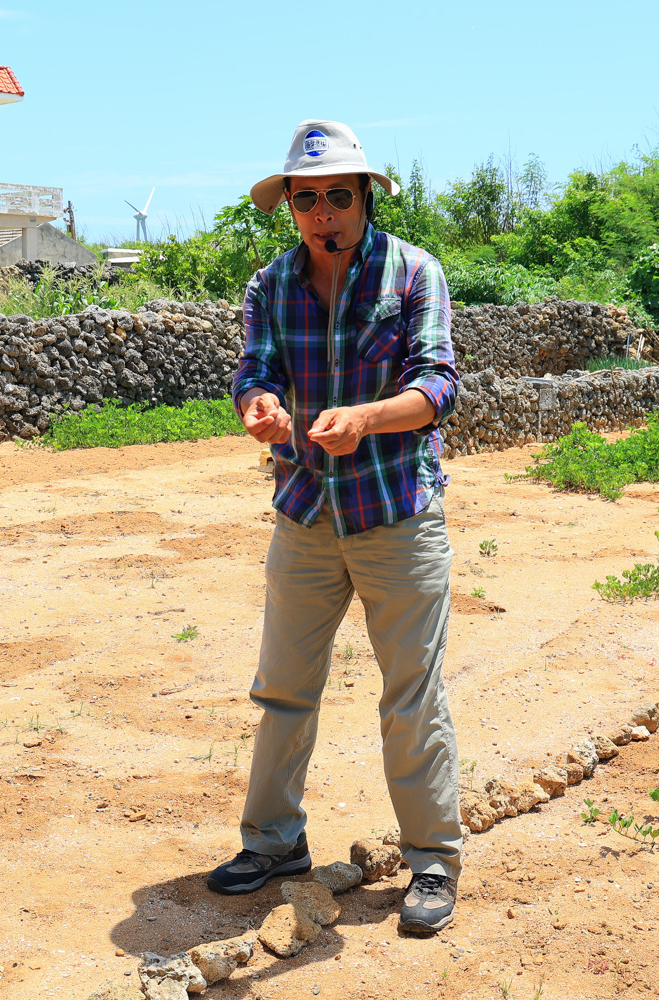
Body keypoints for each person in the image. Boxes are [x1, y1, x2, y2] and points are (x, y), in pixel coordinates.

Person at [207, 119, 463, 934]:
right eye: (307, 198)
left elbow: (438, 386)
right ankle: (275, 842)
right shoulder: (270, 286)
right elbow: (256, 369)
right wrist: (258, 404)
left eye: (338, 196)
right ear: (290, 205)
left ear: (365, 199)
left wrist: (368, 418)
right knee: (283, 689)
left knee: (410, 695)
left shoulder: (414, 273)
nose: (324, 212)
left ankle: (432, 861)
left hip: (395, 512)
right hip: (306, 514)